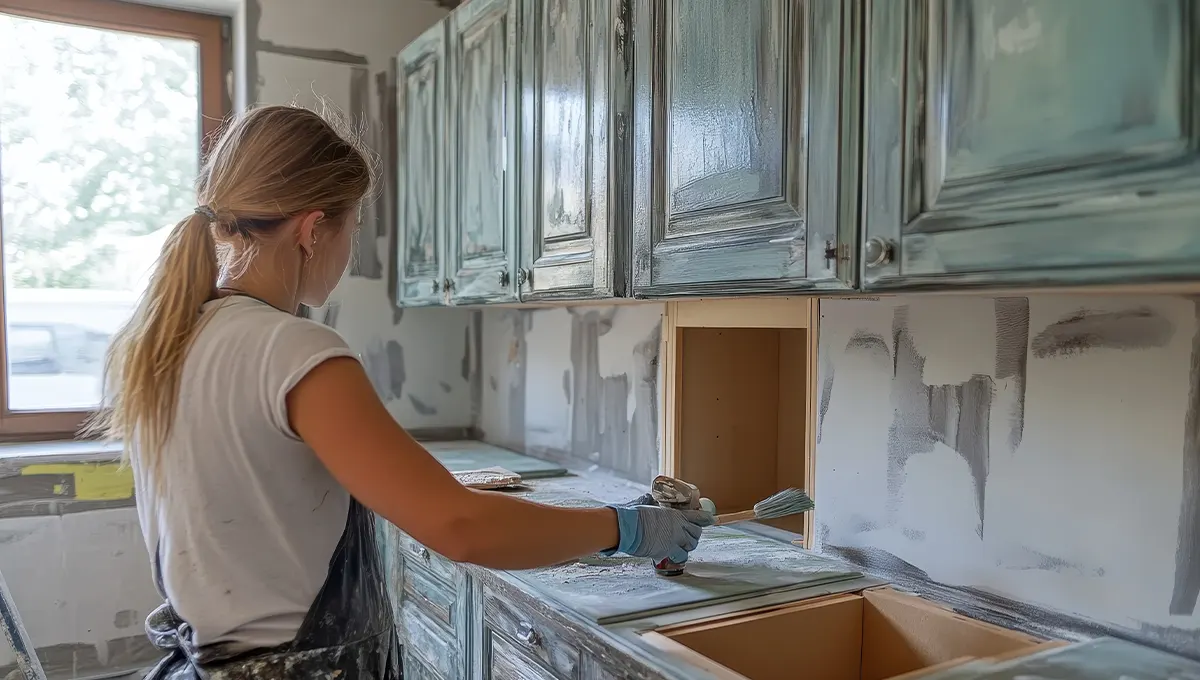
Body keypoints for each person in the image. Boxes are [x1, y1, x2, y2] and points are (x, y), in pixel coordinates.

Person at [85, 105, 713, 679]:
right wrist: (625, 528)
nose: (350, 251)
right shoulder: (292, 350)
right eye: (352, 228)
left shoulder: (167, 341)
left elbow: (261, 507)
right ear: (311, 230)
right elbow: (461, 527)